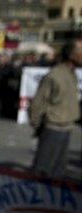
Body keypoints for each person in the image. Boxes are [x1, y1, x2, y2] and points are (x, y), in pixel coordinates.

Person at [29, 39, 82, 178]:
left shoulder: (72, 74)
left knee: (58, 171)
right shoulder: (54, 75)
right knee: (42, 169)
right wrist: (37, 126)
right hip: (53, 129)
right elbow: (38, 103)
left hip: (66, 128)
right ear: (71, 55)